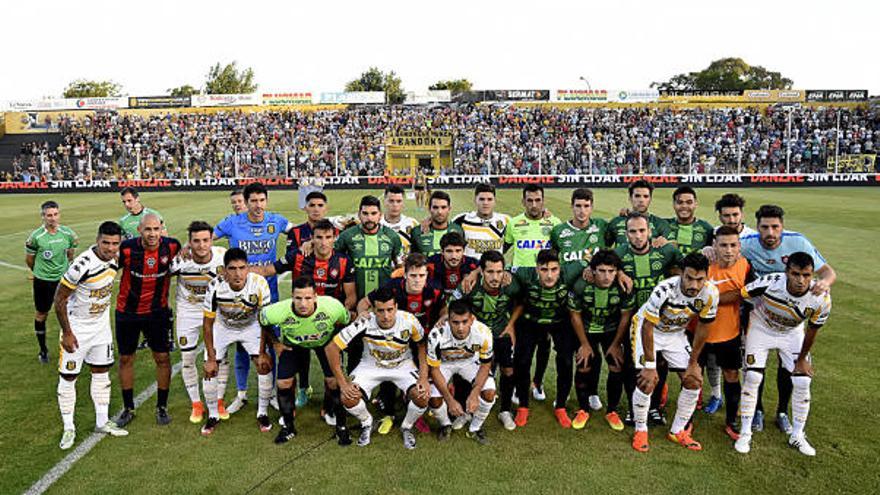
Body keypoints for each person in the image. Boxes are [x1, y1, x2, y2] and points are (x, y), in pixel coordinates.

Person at [739, 204, 836, 434]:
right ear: (757, 227)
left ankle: (782, 411)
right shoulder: (748, 243)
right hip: (761, 310)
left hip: (792, 314)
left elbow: (828, 272)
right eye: (765, 227)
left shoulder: (799, 242)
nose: (770, 233)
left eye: (775, 227)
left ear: (783, 227)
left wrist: (824, 283)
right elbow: (726, 251)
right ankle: (757, 411)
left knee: (789, 366)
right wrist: (709, 251)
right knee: (754, 368)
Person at [254, 219, 357, 421]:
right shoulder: (299, 256)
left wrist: (340, 315)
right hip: (299, 319)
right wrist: (237, 270)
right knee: (298, 361)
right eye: (319, 237)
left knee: (332, 376)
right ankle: (300, 393)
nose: (323, 242)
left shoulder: (343, 261)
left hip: (329, 323)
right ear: (312, 238)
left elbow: (351, 295)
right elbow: (268, 270)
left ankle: (328, 409)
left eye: (328, 237)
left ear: (335, 239)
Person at [734, 252, 832, 456]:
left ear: (812, 274)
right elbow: (740, 294)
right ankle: (745, 433)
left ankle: (797, 435)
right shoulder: (771, 282)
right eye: (795, 274)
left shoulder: (821, 298)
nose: (800, 280)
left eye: (806, 275)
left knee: (803, 381)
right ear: (787, 272)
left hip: (791, 332)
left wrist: (802, 359)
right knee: (752, 376)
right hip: (762, 327)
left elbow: (813, 330)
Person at [214, 182, 293, 415]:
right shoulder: (232, 222)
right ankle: (241, 394)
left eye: (261, 200)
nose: (257, 206)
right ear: (245, 202)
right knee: (240, 345)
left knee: (272, 342)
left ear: (266, 201)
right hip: (239, 295)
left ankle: (273, 395)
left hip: (269, 293)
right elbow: (208, 239)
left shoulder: (275, 221)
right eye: (253, 201)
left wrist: (306, 241)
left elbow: (298, 232)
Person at [630, 253, 719, 453]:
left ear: (707, 277)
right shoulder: (664, 290)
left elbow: (704, 327)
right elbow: (647, 327)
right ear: (681, 274)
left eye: (700, 279)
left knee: (694, 380)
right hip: (648, 328)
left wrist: (694, 362)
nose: (694, 285)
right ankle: (640, 429)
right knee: (647, 381)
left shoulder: (711, 294)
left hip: (675, 334)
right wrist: (650, 366)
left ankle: (678, 430)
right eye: (689, 278)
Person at [54, 221, 128, 450]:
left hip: (101, 328)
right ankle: (69, 427)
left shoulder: (116, 258)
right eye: (105, 243)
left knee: (101, 373)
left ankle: (102, 421)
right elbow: (60, 298)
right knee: (68, 377)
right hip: (77, 329)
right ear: (97, 240)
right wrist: (67, 332)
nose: (110, 248)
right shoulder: (82, 265)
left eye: (115, 243)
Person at [326, 288, 430, 450]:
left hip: (402, 365)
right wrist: (343, 383)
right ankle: (367, 422)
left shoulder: (409, 320)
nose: (386, 316)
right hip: (371, 366)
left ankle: (407, 426)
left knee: (422, 395)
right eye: (380, 311)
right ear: (373, 310)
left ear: (396, 307)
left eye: (390, 310)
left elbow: (422, 345)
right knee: (348, 397)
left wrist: (423, 377)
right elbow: (332, 348)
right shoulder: (365, 321)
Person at [258, 277, 353, 445]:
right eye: (298, 298)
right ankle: (288, 427)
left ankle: (341, 426)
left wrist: (335, 342)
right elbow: (262, 321)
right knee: (283, 383)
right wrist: (275, 343)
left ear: (316, 297)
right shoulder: (277, 311)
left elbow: (346, 320)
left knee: (334, 382)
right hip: (293, 345)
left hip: (324, 343)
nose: (303, 303)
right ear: (292, 297)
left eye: (308, 298)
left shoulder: (332, 306)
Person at [615, 212, 682, 425]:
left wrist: (708, 251)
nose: (637, 235)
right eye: (633, 231)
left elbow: (689, 266)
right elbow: (599, 266)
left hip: (659, 320)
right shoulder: (619, 253)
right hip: (632, 319)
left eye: (642, 231)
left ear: (650, 232)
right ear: (626, 234)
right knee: (631, 364)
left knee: (659, 363)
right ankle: (632, 409)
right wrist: (618, 273)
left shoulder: (666, 251)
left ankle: (653, 407)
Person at [507, 249, 587, 428]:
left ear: (560, 268)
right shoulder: (523, 272)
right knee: (522, 360)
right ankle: (523, 406)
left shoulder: (572, 269)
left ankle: (560, 406)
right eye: (544, 270)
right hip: (530, 321)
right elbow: (498, 267)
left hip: (559, 322)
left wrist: (594, 271)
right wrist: (477, 273)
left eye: (554, 269)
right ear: (536, 269)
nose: (549, 275)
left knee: (566, 361)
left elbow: (592, 262)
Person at [115, 214, 181, 427]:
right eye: (148, 230)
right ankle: (128, 408)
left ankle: (162, 406)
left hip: (157, 312)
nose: (152, 234)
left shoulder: (172, 247)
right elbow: (106, 268)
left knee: (162, 358)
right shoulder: (126, 249)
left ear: (162, 229)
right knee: (126, 359)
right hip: (127, 312)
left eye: (156, 229)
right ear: (139, 230)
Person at [200, 249, 272, 436]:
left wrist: (263, 351)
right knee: (209, 368)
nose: (238, 273)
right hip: (223, 327)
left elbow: (265, 321)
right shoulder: (215, 286)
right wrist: (211, 357)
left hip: (251, 327)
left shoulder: (259, 283)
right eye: (232, 269)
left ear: (248, 268)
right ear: (224, 270)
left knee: (264, 364)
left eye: (242, 268)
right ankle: (213, 415)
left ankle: (262, 412)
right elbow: (207, 324)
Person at [503, 184, 561, 403]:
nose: (534, 204)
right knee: (520, 340)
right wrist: (505, 271)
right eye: (530, 200)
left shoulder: (554, 224)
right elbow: (502, 250)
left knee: (544, 341)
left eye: (538, 200)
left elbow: (560, 255)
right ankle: (520, 385)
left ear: (544, 201)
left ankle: (537, 382)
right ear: (523, 201)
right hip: (521, 287)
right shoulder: (514, 223)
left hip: (546, 287)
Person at [451, 250, 517, 430]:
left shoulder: (510, 284)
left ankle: (505, 410)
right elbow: (452, 305)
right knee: (466, 371)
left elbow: (521, 302)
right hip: (476, 337)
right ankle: (465, 412)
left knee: (508, 370)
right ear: (481, 271)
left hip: (501, 334)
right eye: (490, 272)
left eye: (499, 271)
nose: (495, 277)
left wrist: (511, 324)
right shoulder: (469, 285)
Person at [568, 249, 634, 430]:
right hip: (586, 330)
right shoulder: (581, 285)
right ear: (593, 271)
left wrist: (615, 345)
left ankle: (612, 411)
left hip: (611, 331)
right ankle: (583, 409)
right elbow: (575, 315)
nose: (606, 276)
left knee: (616, 364)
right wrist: (584, 344)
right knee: (584, 362)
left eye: (611, 271)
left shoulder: (622, 287)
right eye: (602, 271)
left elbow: (625, 317)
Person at [169, 221, 226, 424]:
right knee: (188, 358)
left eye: (205, 240)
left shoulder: (222, 256)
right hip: (188, 313)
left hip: (215, 312)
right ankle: (196, 403)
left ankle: (219, 400)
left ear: (212, 240)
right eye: (196, 241)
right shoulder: (181, 261)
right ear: (189, 243)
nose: (201, 245)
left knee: (219, 357)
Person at [698, 226, 753, 438]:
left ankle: (731, 421)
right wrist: (732, 295)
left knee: (731, 375)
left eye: (733, 245)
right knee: (693, 376)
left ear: (739, 247)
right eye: (723, 245)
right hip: (699, 332)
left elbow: (751, 294)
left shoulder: (746, 266)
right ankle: (687, 422)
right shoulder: (704, 264)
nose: (728, 250)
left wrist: (721, 296)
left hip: (729, 333)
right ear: (714, 245)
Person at [427, 300, 496, 445]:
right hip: (444, 365)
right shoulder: (436, 335)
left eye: (465, 321)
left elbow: (486, 364)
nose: (460, 327)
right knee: (434, 398)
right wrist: (449, 400)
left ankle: (475, 428)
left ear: (472, 319)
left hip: (469, 362)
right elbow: (434, 369)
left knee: (489, 393)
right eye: (455, 322)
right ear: (448, 320)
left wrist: (475, 392)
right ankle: (445, 425)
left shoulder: (484, 333)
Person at [26, 200, 78, 363]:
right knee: (42, 314)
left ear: (59, 215)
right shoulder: (36, 237)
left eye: (55, 214)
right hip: (43, 281)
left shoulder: (68, 234)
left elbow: (70, 255)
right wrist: (41, 273)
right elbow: (30, 260)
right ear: (43, 217)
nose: (53, 218)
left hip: (64, 280)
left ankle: (74, 345)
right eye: (49, 215)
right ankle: (43, 350)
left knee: (72, 312)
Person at [335, 195, 403, 299]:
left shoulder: (392, 236)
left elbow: (401, 265)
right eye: (365, 213)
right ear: (359, 215)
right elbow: (332, 258)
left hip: (384, 300)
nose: (369, 218)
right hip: (355, 298)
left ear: (380, 215)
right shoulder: (347, 236)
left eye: (373, 213)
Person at [549, 188, 608, 265]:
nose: (582, 211)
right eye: (578, 206)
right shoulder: (558, 231)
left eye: (586, 206)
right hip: (569, 277)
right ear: (572, 206)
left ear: (592, 207)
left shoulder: (601, 225)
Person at [605, 179, 670, 247]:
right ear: (630, 198)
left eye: (645, 196)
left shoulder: (660, 224)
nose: (641, 200)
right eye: (637, 196)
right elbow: (605, 247)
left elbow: (672, 246)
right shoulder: (616, 222)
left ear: (650, 199)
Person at [452, 183, 510, 258]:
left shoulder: (506, 220)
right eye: (481, 199)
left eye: (489, 199)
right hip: (470, 268)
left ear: (495, 201)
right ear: (475, 200)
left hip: (493, 269)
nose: (485, 203)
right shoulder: (461, 220)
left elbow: (510, 242)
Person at [410, 191, 464, 257]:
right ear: (429, 209)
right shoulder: (416, 232)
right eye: (435, 207)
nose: (439, 212)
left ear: (449, 209)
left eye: (443, 207)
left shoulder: (458, 230)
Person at [663, 187, 714, 255]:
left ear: (695, 204)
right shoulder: (662, 225)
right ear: (674, 204)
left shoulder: (707, 228)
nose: (684, 206)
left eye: (689, 202)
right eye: (680, 202)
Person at [427, 232, 480, 297]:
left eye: (458, 251)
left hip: (463, 304)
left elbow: (488, 264)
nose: (453, 256)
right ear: (442, 251)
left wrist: (475, 272)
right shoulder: (431, 263)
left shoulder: (471, 263)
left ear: (463, 251)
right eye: (449, 251)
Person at [381, 185, 420, 256]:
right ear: (384, 202)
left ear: (403, 203)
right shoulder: (377, 224)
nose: (395, 205)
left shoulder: (413, 223)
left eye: (398, 201)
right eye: (391, 201)